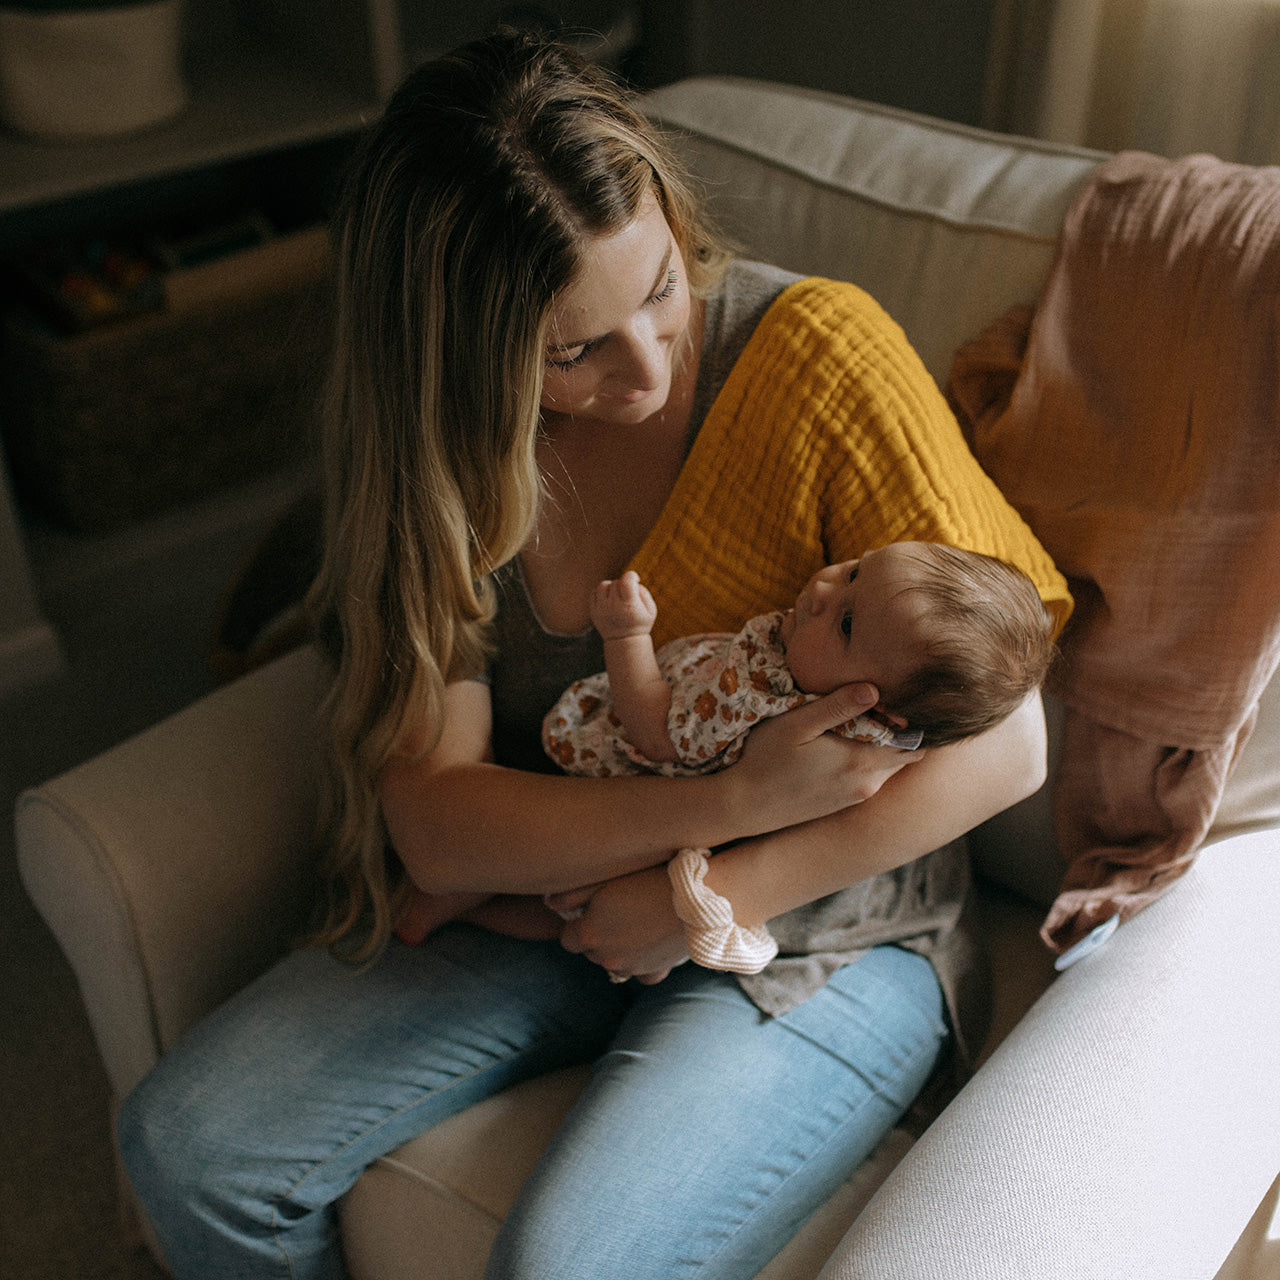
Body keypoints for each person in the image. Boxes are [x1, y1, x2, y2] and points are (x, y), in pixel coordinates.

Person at [116, 28, 1072, 1280]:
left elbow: (1008, 741)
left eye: (663, 287)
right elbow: (442, 828)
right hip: (553, 894)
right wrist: (721, 801)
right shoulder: (438, 464)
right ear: (458, 358)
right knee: (192, 1146)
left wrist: (716, 892)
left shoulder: (814, 356)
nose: (648, 364)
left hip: (821, 926)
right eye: (573, 350)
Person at [403, 543, 1055, 961]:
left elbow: (656, 730)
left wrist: (626, 637)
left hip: (651, 807)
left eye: (848, 621)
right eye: (856, 568)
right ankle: (463, 896)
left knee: (566, 905)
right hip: (695, 827)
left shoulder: (761, 699)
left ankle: (470, 901)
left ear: (872, 704)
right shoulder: (875, 708)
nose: (825, 588)